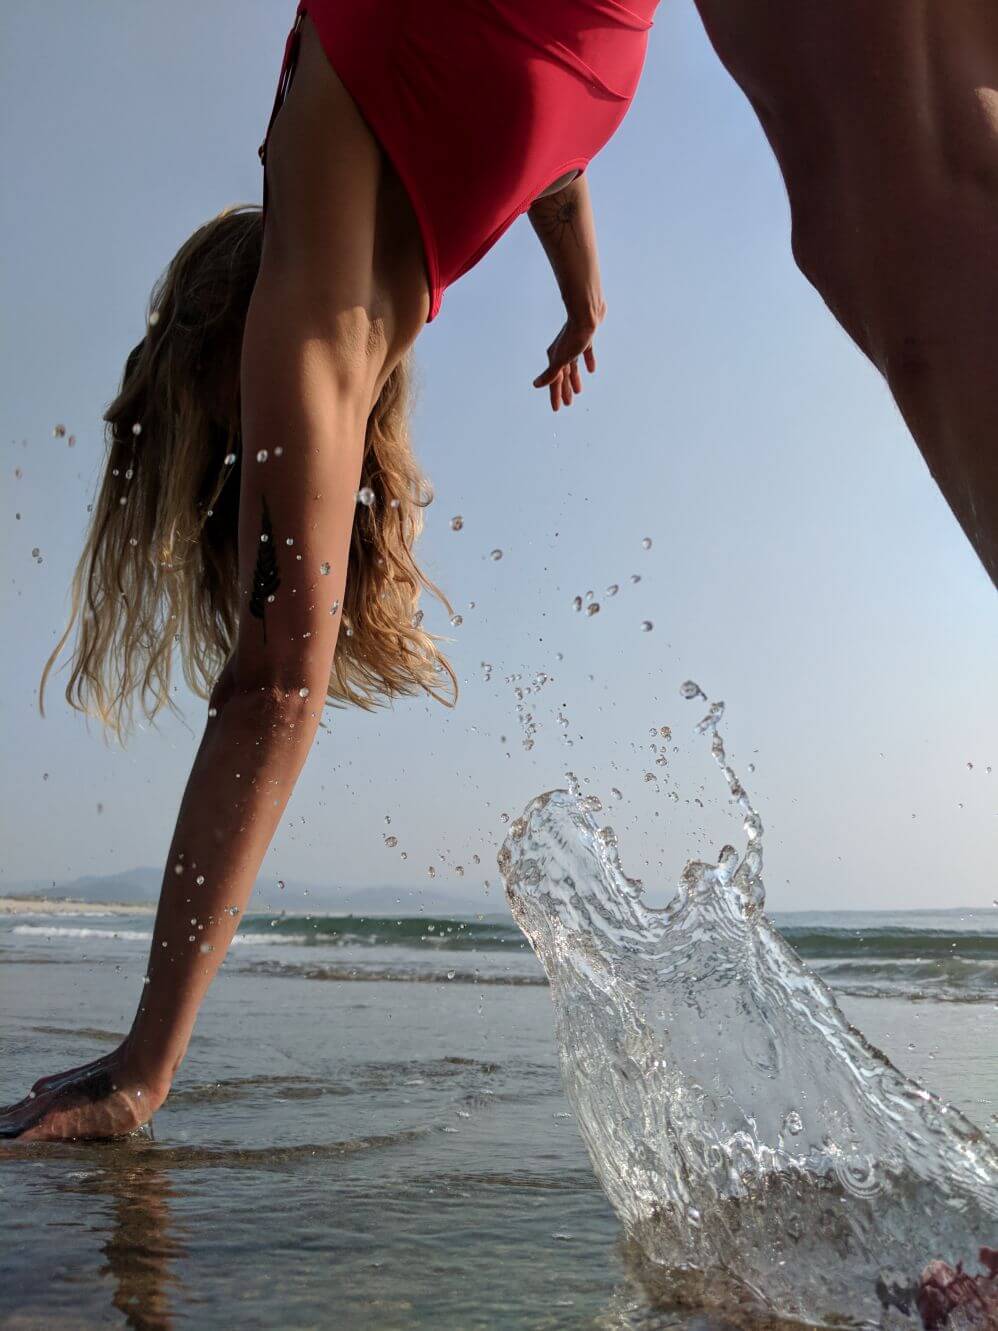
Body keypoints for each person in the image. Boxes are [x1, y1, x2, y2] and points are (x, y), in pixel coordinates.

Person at [0, 0, 658, 1141]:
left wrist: (139, 1073)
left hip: (600, 60)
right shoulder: (335, 185)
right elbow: (546, 149)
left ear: (220, 354)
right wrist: (579, 287)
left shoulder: (311, 315)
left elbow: (273, 684)